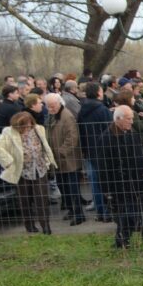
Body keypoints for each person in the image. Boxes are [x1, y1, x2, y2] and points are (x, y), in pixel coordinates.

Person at [96, 106, 143, 250]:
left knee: (130, 214)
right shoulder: (106, 138)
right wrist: (106, 189)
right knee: (134, 213)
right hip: (119, 185)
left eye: (132, 118)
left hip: (136, 182)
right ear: (118, 119)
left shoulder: (133, 134)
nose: (132, 121)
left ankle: (122, 240)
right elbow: (102, 166)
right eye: (129, 119)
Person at [0, 112, 58, 234]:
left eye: (29, 125)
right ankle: (29, 225)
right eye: (24, 126)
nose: (27, 128)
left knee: (42, 199)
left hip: (40, 169)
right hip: (22, 171)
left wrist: (47, 161)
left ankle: (46, 226)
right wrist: (9, 161)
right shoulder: (9, 132)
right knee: (25, 200)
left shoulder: (39, 129)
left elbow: (45, 146)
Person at [45, 94, 85, 226]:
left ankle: (79, 214)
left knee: (72, 188)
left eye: (53, 105)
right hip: (57, 160)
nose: (51, 108)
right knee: (63, 187)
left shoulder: (67, 116)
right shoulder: (51, 116)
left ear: (59, 103)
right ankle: (71, 210)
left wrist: (61, 152)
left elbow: (72, 137)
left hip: (68, 160)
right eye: (48, 106)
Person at [77, 83, 112, 221]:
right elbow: (109, 130)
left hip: (90, 152)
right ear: (98, 93)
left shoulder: (82, 111)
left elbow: (81, 133)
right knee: (106, 183)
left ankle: (100, 211)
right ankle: (108, 212)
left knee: (95, 183)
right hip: (104, 152)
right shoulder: (103, 110)